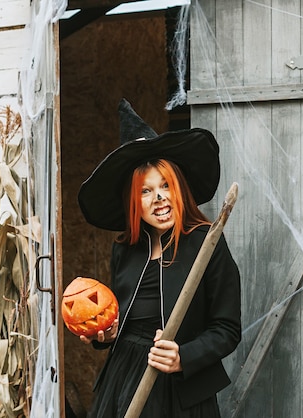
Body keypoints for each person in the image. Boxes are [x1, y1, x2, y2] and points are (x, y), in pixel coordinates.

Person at [77, 98, 241, 418]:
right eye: (146, 191)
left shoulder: (206, 243)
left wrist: (184, 356)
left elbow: (227, 329)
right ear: (133, 202)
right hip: (125, 380)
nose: (160, 198)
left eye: (166, 185)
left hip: (180, 389)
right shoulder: (125, 249)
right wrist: (110, 332)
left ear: (179, 189)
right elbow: (126, 318)